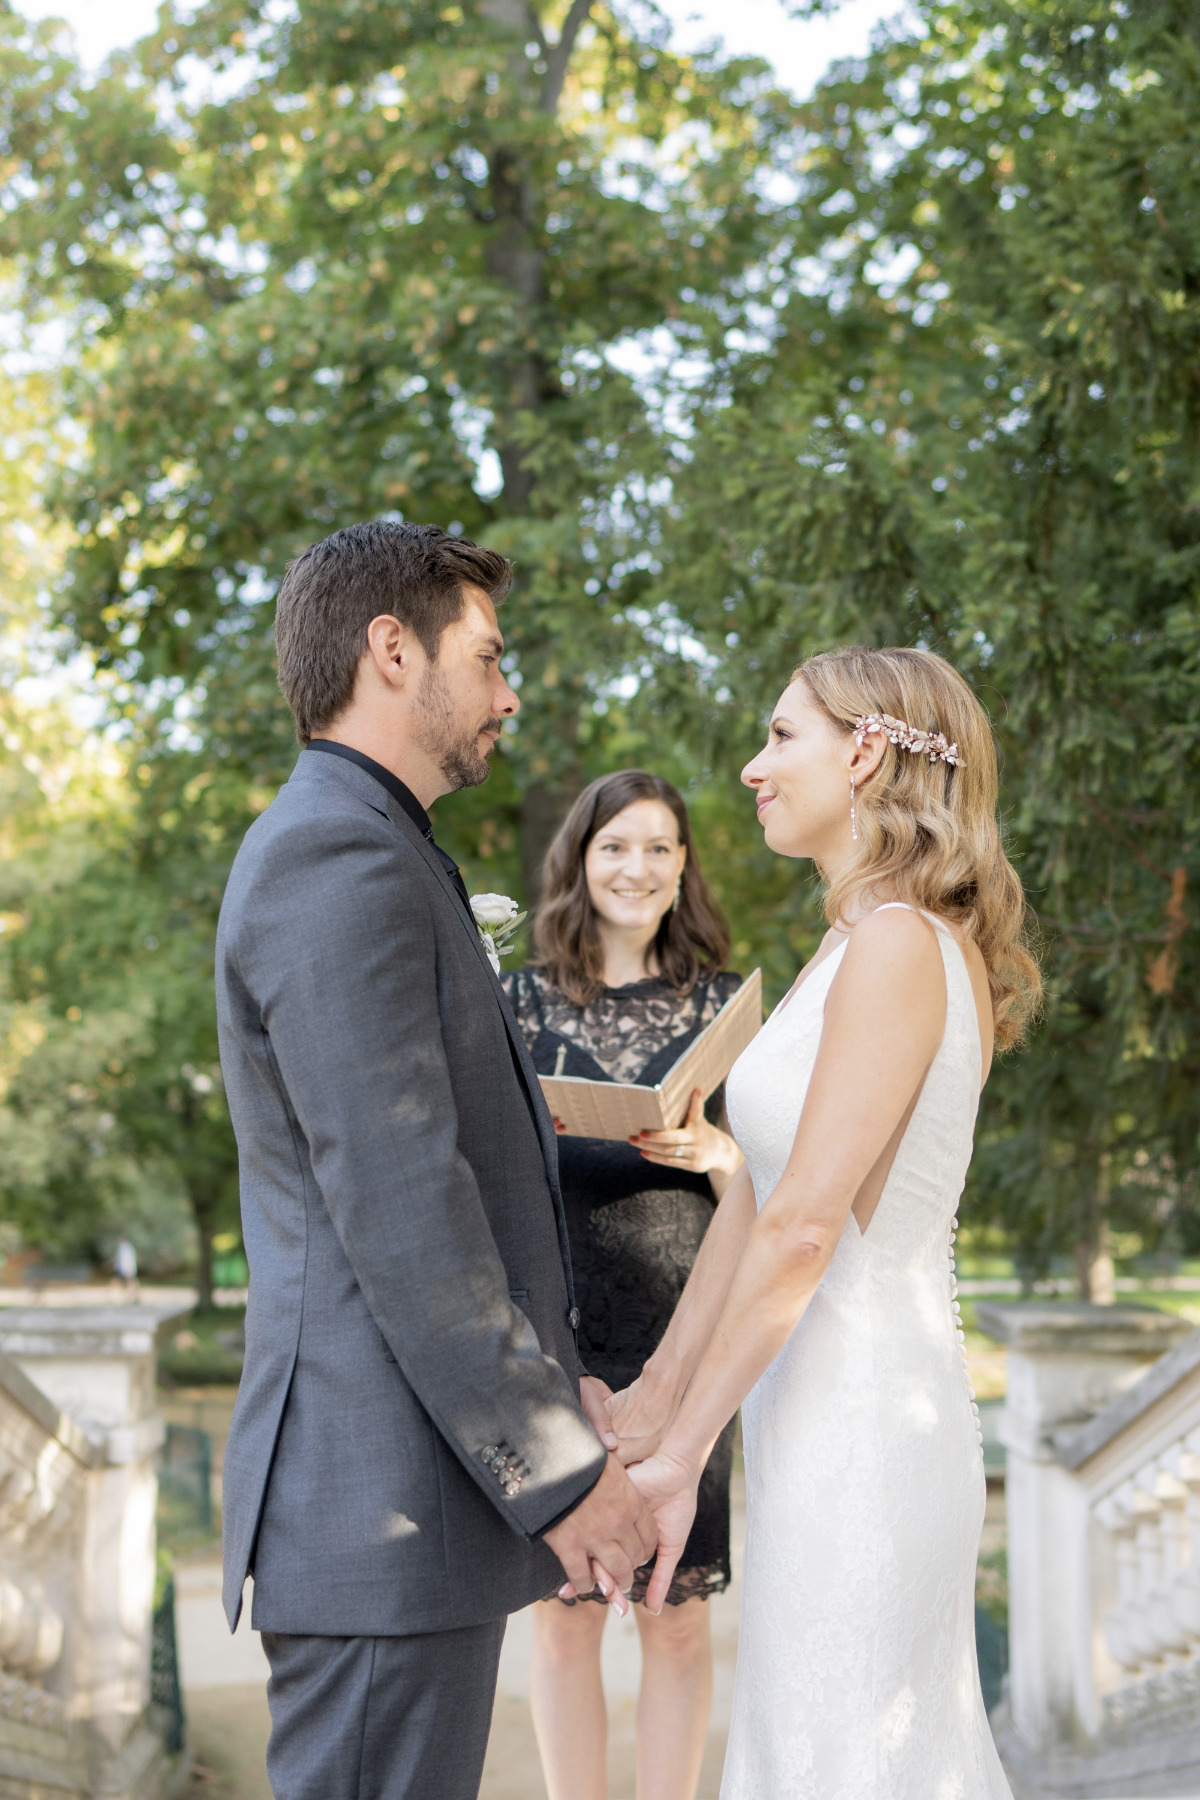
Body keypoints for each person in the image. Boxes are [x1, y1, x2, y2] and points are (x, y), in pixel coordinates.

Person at [214, 521, 656, 1800]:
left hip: (410, 1503)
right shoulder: (335, 856)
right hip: (375, 1508)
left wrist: (558, 1375)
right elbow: (405, 1205)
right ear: (391, 650)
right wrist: (563, 1480)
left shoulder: (376, 845)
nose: (509, 694)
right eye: (490, 656)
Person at [611, 646, 1041, 1798]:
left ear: (864, 753)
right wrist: (653, 1402)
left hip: (867, 1428)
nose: (753, 769)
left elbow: (806, 1229)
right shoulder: (850, 948)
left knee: (853, 1754)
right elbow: (752, 1197)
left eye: (782, 737)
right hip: (810, 1418)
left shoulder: (901, 947)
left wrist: (686, 1457)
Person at [503, 769, 744, 1800]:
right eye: (615, 847)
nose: (636, 867)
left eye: (657, 847)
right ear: (581, 861)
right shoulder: (512, 998)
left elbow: (772, 1185)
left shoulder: (729, 1004)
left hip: (681, 1333)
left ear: (683, 864)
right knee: (560, 1613)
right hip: (552, 1333)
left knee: (672, 1614)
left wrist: (710, 1154)